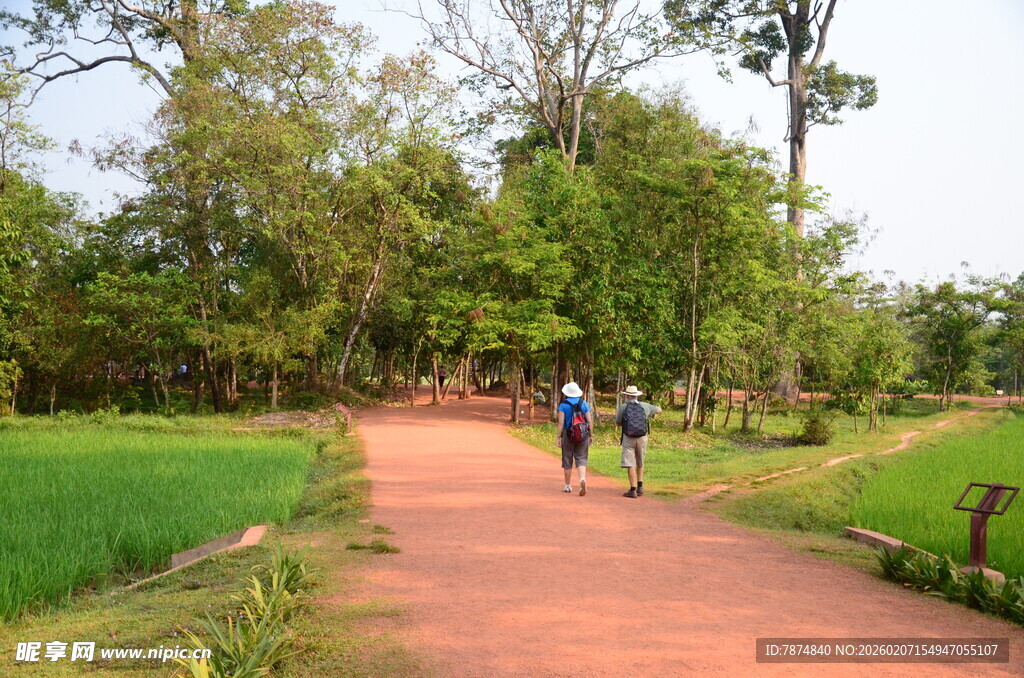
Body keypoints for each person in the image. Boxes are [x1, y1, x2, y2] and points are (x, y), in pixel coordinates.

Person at [614, 385, 661, 498]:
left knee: (630, 463)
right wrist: (652, 415)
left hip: (628, 437)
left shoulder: (623, 407)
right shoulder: (645, 406)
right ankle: (640, 486)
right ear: (636, 395)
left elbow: (618, 423)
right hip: (642, 437)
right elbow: (659, 409)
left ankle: (632, 489)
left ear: (627, 396)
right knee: (640, 461)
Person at [556, 381, 592, 496]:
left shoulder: (563, 405)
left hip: (568, 434)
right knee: (581, 458)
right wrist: (591, 435)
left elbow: (561, 423)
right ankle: (582, 479)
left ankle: (567, 485)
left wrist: (558, 437)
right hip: (583, 434)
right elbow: (589, 421)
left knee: (567, 458)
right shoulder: (584, 403)